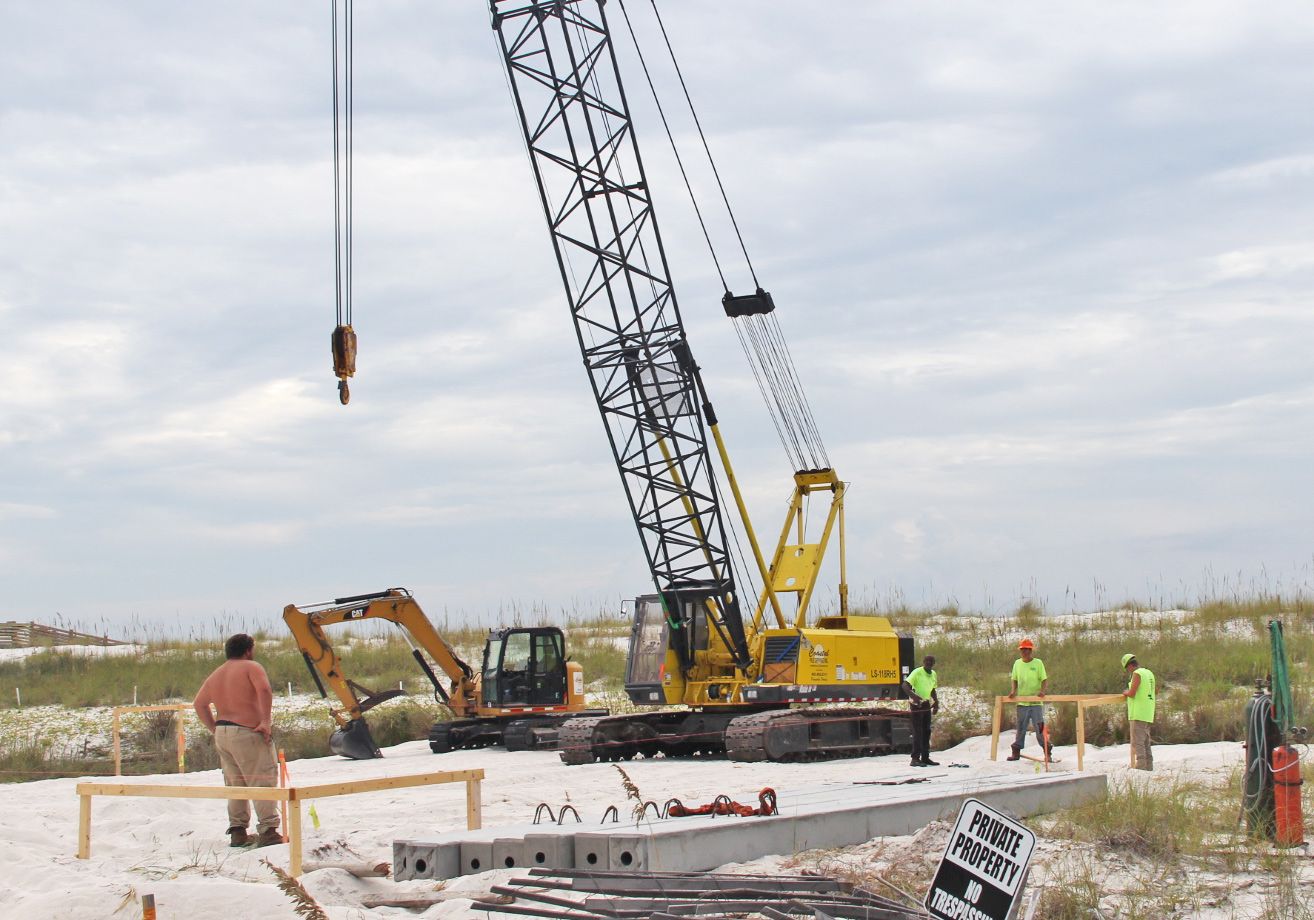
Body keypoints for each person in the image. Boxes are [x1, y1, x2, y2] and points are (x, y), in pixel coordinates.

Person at [193, 633, 282, 848]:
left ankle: (238, 830)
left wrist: (214, 728)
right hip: (246, 730)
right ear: (248, 650)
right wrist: (266, 721)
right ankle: (269, 830)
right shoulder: (251, 667)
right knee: (261, 778)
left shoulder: (216, 674)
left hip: (224, 731)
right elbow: (264, 689)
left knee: (235, 782)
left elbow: (199, 704)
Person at [1006, 638, 1048, 761]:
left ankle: (1047, 751)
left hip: (1035, 702)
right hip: (1022, 703)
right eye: (1023, 650)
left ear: (1031, 651)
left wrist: (1042, 691)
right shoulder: (1017, 664)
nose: (1025, 652)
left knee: (1040, 727)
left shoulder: (1038, 663)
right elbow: (1014, 679)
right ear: (1020, 651)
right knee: (1021, 728)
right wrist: (1013, 691)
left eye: (1027, 650)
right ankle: (1016, 752)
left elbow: (1044, 679)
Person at [902, 655, 940, 767]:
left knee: (926, 731)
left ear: (933, 663)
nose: (928, 663)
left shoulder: (933, 674)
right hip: (916, 704)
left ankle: (925, 757)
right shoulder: (917, 672)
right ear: (923, 662)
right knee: (918, 732)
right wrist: (914, 696)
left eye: (931, 661)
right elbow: (904, 685)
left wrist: (936, 702)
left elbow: (932, 689)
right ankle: (914, 759)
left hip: (926, 704)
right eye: (927, 661)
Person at [1121, 653, 1156, 771]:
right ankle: (1149, 766)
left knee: (1138, 742)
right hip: (1148, 711)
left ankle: (1141, 767)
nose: (1128, 671)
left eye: (1127, 669)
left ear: (1130, 666)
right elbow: (1154, 691)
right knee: (1145, 741)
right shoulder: (1149, 673)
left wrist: (1126, 692)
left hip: (1138, 712)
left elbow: (1132, 693)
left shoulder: (1137, 674)